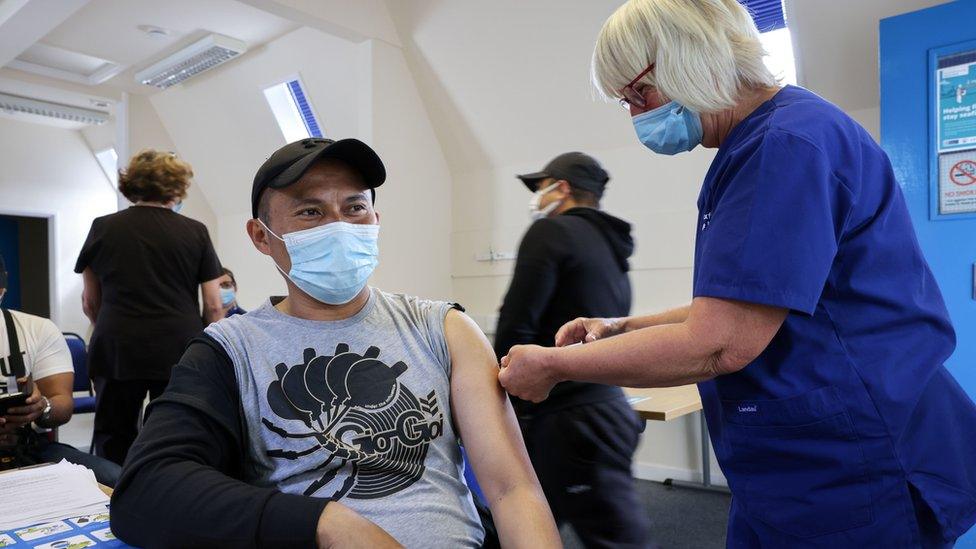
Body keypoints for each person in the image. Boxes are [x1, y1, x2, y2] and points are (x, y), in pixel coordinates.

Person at [498, 1, 976, 547]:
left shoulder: (784, 146)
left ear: (689, 58)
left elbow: (718, 343)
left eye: (639, 94)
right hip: (794, 460)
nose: (636, 117)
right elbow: (743, 302)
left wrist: (557, 366)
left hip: (849, 459)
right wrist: (622, 327)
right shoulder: (772, 138)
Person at [110, 138, 561, 548]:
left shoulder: (444, 328)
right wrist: (328, 524)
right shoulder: (229, 350)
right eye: (310, 212)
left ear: (376, 220)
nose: (340, 226)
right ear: (261, 237)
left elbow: (513, 490)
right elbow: (146, 489)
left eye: (354, 208)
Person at [494, 152, 652, 547]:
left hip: (568, 419)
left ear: (561, 187)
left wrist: (500, 399)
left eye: (542, 186)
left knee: (616, 537)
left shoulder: (549, 232)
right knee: (513, 525)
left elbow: (517, 324)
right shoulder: (611, 245)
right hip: (605, 407)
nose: (538, 196)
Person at [75, 149, 224, 466]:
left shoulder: (103, 227)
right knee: (174, 432)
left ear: (131, 185)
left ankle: (115, 498)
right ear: (176, 186)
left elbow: (90, 301)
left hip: (117, 345)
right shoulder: (195, 231)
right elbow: (213, 305)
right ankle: (166, 497)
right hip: (178, 348)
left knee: (114, 435)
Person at [0, 253, 121, 486]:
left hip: (28, 447)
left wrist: (41, 406)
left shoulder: (37, 329)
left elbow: (62, 404)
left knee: (118, 480)